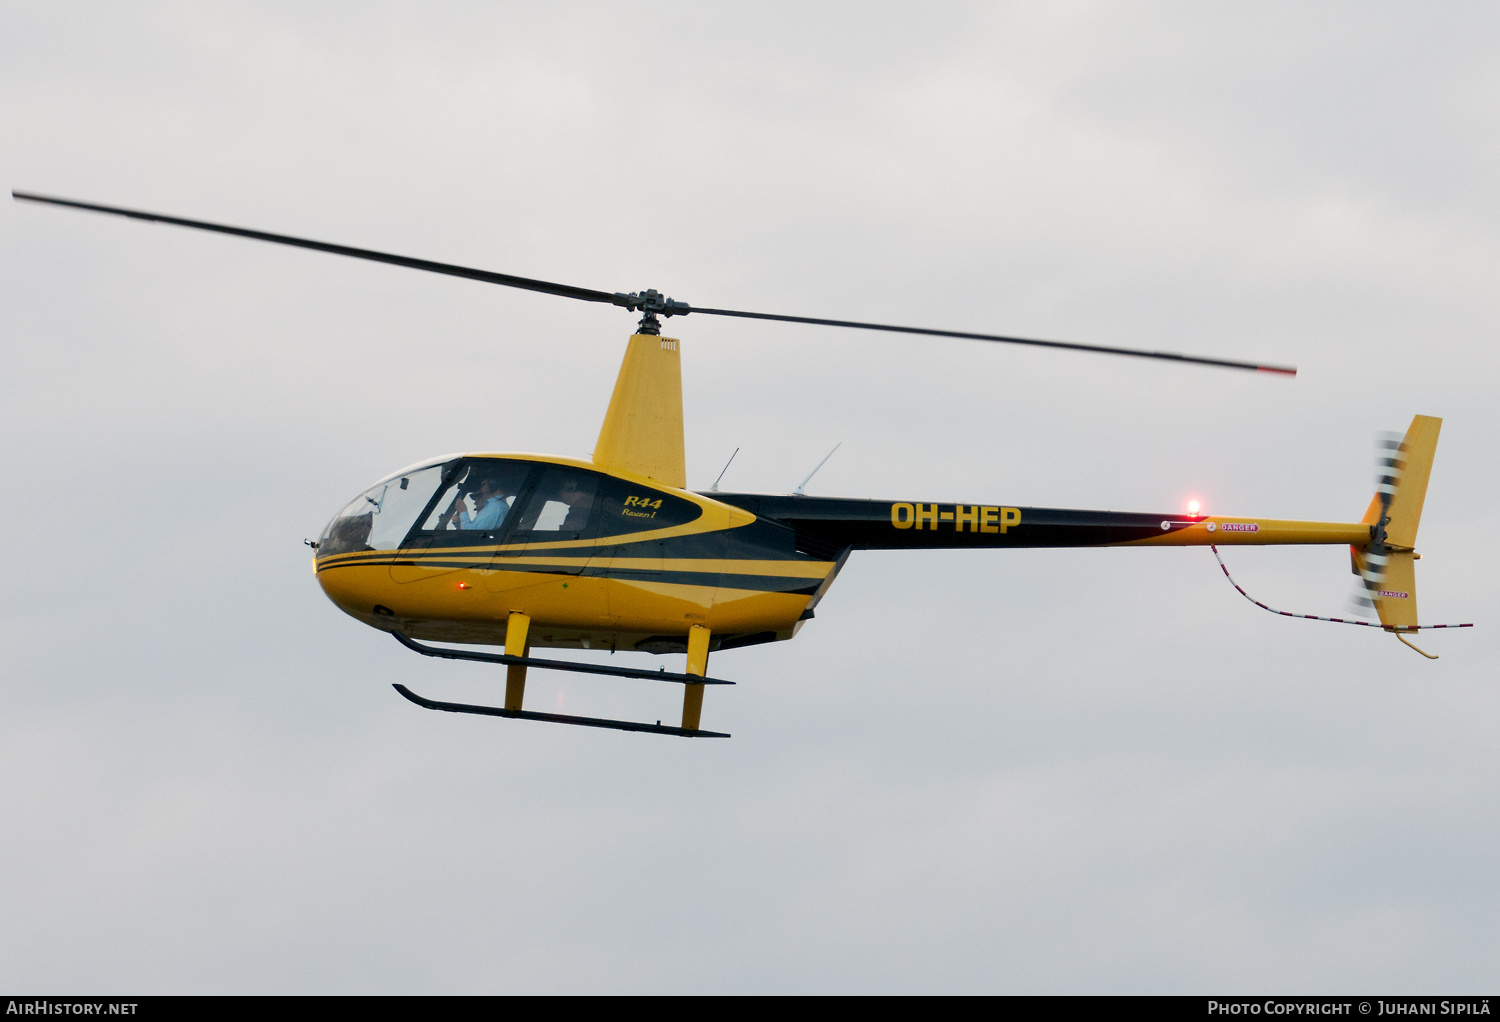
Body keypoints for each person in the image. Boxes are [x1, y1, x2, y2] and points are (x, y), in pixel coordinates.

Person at [442, 476, 510, 531]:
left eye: (484, 484)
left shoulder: (496, 508)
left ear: (493, 485)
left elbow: (471, 534)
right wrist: (459, 522)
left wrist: (463, 511)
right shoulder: (493, 506)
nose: (481, 489)